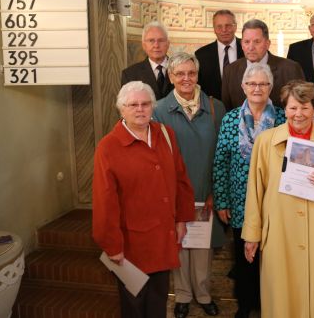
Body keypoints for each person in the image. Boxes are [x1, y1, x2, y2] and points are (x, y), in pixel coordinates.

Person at [241, 80, 314, 318]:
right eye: (293, 108)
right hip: (278, 233)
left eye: (305, 107)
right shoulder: (265, 141)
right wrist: (252, 234)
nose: (298, 114)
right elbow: (255, 190)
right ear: (285, 109)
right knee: (280, 300)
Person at [92, 81, 195, 318]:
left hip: (163, 237)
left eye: (145, 104)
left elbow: (181, 179)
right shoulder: (108, 147)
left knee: (158, 302)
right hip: (131, 244)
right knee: (134, 306)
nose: (140, 109)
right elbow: (104, 201)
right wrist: (112, 245)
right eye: (133, 105)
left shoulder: (166, 134)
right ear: (122, 110)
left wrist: (181, 220)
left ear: (153, 106)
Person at [153, 52, 227, 318]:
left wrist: (215, 192)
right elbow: (157, 158)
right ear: (171, 77)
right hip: (174, 194)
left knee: (203, 248)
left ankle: (204, 294)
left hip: (206, 193)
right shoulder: (158, 110)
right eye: (180, 74)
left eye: (191, 73)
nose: (186, 78)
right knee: (180, 246)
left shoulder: (216, 107)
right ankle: (183, 295)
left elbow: (222, 153)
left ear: (198, 75)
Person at [212, 63, 286, 318]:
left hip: (275, 202)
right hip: (240, 202)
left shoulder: (283, 118)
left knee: (272, 259)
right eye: (252, 83)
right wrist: (222, 201)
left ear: (270, 88)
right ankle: (245, 305)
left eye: (263, 84)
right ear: (243, 86)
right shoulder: (231, 118)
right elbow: (221, 160)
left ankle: (269, 306)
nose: (257, 88)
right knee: (244, 259)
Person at [221, 19, 305, 110]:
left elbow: (302, 105)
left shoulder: (291, 69)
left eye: (257, 42)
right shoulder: (230, 71)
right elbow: (226, 108)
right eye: (247, 42)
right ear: (241, 44)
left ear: (267, 44)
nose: (251, 47)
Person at [195, 9, 245, 100]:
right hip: (214, 109)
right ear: (214, 29)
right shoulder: (201, 55)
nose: (224, 30)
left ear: (235, 27)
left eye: (228, 26)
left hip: (244, 108)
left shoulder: (248, 48)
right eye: (219, 26)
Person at [121, 21, 174, 100]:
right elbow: (127, 107)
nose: (156, 45)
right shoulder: (130, 75)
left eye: (161, 40)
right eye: (151, 41)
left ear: (168, 44)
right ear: (143, 45)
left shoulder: (181, 69)